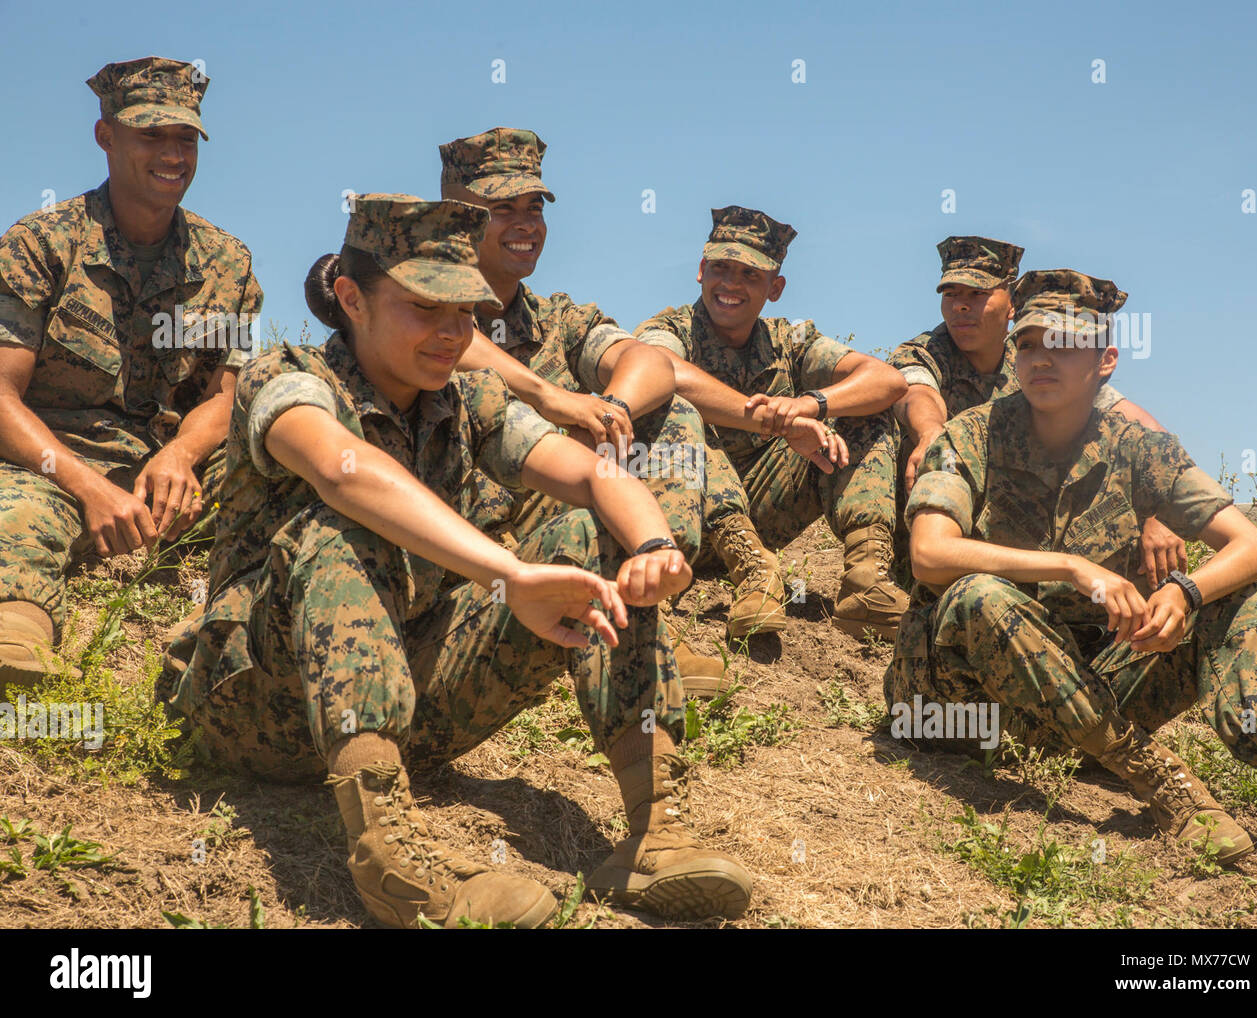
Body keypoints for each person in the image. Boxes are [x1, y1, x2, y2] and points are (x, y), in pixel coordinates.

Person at [160, 194, 753, 928]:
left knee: (589, 535)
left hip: (413, 698)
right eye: (424, 308)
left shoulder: (468, 397)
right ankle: (397, 872)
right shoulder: (288, 380)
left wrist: (656, 546)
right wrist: (508, 577)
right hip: (258, 708)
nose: (451, 335)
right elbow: (346, 472)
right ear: (351, 298)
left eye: (465, 313)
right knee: (343, 526)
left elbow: (595, 474)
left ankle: (653, 829)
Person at [887, 268, 1257, 880]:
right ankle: (1161, 780)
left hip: (1079, 706)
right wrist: (1074, 568)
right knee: (981, 593)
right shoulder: (970, 434)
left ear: (1105, 360)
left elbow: (1255, 549)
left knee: (1233, 598)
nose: (1039, 361)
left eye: (1061, 345)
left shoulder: (1139, 448)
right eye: (1027, 344)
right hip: (958, 708)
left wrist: (1186, 593)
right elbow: (931, 553)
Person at [0, 56, 261, 688]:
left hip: (167, 478)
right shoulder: (42, 244)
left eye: (185, 138)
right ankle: (19, 636)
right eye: (151, 135)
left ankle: (258, 633)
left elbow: (227, 396)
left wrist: (180, 455)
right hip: (52, 468)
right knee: (12, 517)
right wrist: (91, 489)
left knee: (286, 468)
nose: (173, 154)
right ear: (106, 136)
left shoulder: (227, 262)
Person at [438, 127, 727, 691]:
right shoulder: (420, 305)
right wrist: (550, 397)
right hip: (465, 535)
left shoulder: (557, 319)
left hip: (553, 499)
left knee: (671, 417)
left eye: (535, 208)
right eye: (503, 209)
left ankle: (643, 609)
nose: (526, 225)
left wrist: (612, 406)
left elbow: (652, 363)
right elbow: (456, 341)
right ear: (457, 215)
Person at [635, 207, 909, 641]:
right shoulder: (671, 328)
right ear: (701, 270)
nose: (731, 284)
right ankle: (753, 570)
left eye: (750, 274)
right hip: (674, 517)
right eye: (721, 268)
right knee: (676, 407)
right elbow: (659, 369)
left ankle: (867, 579)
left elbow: (888, 381)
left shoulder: (789, 339)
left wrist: (812, 404)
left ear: (775, 288)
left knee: (866, 409)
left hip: (762, 504)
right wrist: (772, 421)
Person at [890, 236, 1186, 588]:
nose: (961, 307)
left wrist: (1159, 509)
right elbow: (916, 390)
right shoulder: (927, 351)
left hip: (1011, 538)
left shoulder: (1038, 363)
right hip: (927, 515)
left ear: (1012, 304)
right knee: (871, 408)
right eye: (951, 295)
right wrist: (931, 434)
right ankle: (870, 571)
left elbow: (1137, 424)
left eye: (977, 294)